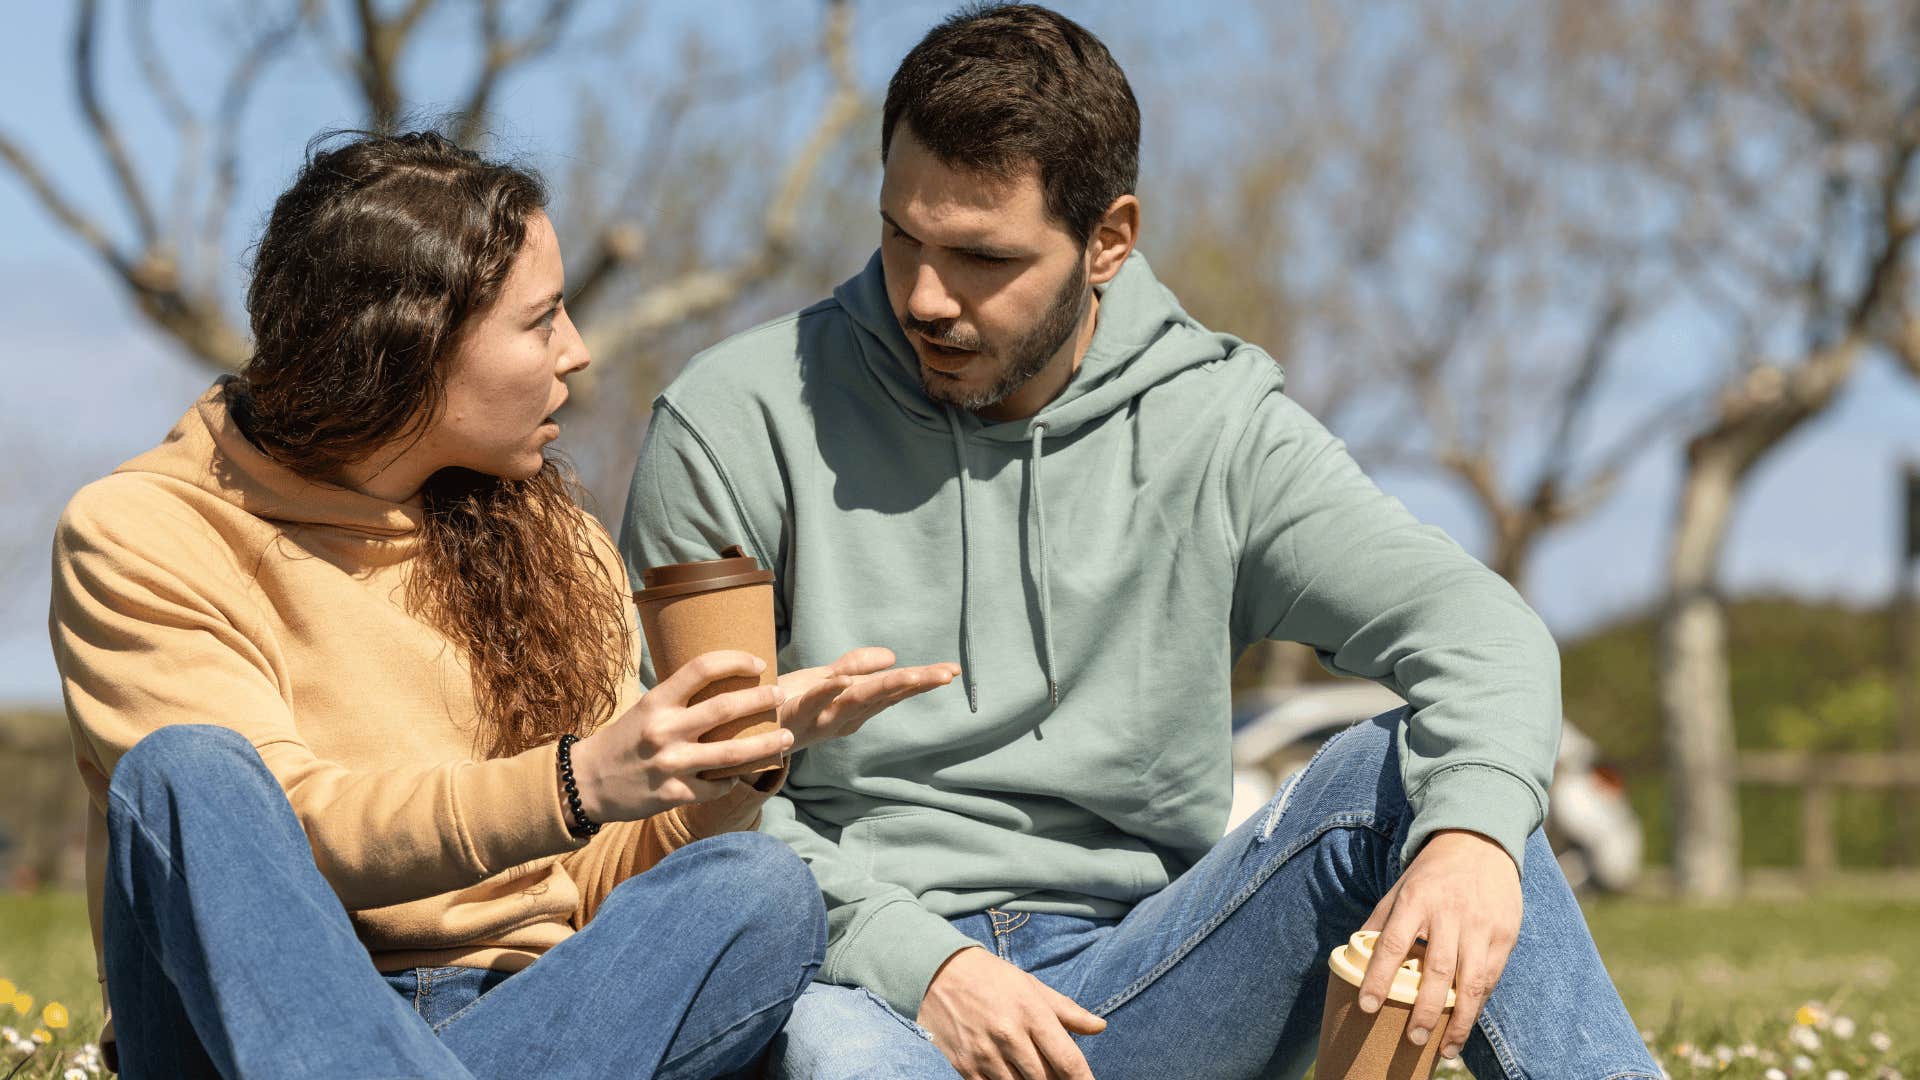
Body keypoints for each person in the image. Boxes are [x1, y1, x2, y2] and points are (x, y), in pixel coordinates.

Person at [618, 6, 1662, 1079]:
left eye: (982, 257)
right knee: (841, 1060)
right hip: (856, 981)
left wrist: (1475, 841)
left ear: (1108, 241)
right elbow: (694, 805)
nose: (924, 295)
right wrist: (920, 963)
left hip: (1140, 982)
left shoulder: (1215, 428)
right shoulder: (734, 420)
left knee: (1443, 795)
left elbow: (1482, 632)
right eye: (901, 236)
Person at [49, 130, 948, 1079]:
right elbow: (290, 835)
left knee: (762, 887)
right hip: (248, 1021)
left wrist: (727, 768)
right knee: (186, 773)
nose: (579, 350)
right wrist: (575, 781)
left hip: (541, 1017)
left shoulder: (558, 547)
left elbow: (596, 885)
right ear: (410, 343)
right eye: (543, 318)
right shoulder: (142, 531)